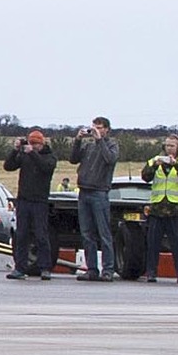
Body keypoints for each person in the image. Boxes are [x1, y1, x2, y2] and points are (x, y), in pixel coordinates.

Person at [73, 117, 122, 280]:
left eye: (99, 128)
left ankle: (108, 270)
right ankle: (91, 269)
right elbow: (73, 159)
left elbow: (110, 159)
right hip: (84, 191)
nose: (96, 130)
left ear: (106, 129)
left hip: (99, 192)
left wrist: (100, 141)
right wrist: (78, 141)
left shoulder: (111, 145)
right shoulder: (88, 146)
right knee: (87, 234)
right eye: (94, 128)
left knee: (104, 233)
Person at [143, 135, 178, 284]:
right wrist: (154, 165)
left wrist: (176, 166)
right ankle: (151, 272)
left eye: (172, 146)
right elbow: (145, 177)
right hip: (157, 208)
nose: (169, 148)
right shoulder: (155, 160)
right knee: (153, 243)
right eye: (167, 145)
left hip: (175, 209)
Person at [7, 129, 58, 281]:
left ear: (42, 143)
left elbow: (45, 167)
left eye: (36, 144)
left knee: (41, 235)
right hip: (23, 200)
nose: (33, 146)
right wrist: (15, 150)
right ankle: (20, 268)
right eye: (31, 143)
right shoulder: (25, 155)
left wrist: (32, 153)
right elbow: (8, 166)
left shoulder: (50, 157)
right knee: (21, 235)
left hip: (40, 201)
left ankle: (45, 268)